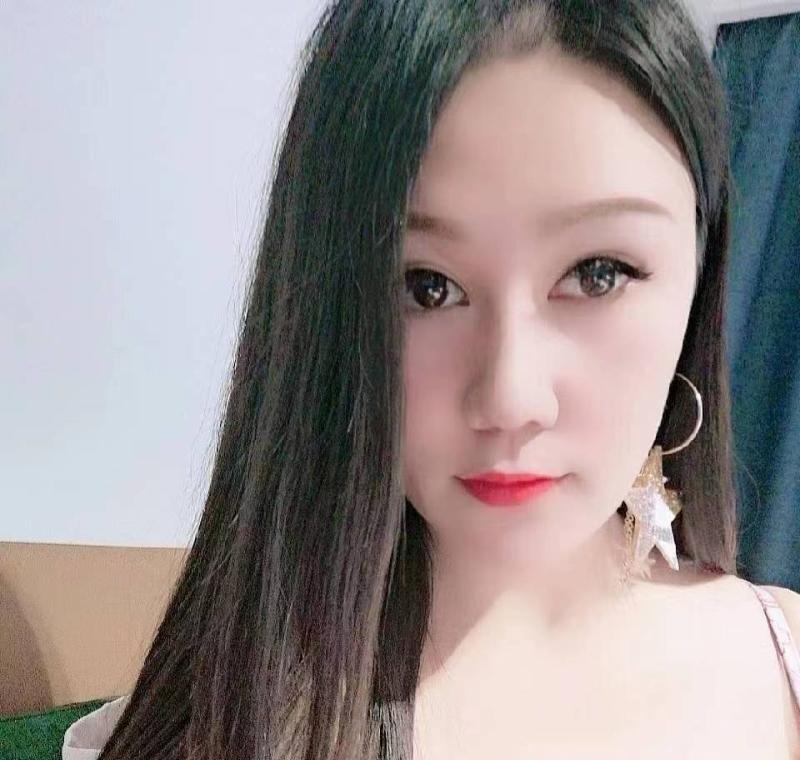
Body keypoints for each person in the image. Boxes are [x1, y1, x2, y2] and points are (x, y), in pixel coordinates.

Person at [63, 0, 800, 758]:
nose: (511, 397)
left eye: (597, 273)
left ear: (698, 279)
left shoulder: (780, 660)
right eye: (426, 287)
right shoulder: (219, 725)